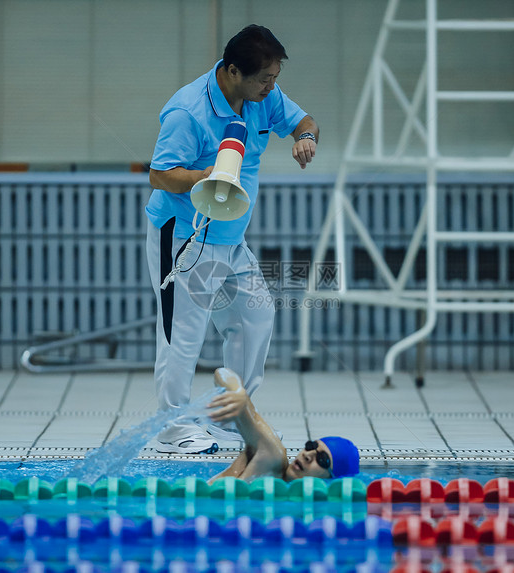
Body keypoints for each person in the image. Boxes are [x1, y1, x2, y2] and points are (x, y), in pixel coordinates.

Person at [145, 25, 320, 454]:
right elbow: (160, 173)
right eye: (265, 79)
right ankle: (172, 429)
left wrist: (306, 138)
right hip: (185, 236)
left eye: (275, 78)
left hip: (231, 236)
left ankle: (226, 418)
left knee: (254, 319)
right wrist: (209, 175)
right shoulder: (188, 112)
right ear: (233, 71)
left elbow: (303, 120)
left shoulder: (263, 97)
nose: (271, 88)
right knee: (183, 332)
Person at [207, 367, 360, 482]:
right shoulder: (271, 455)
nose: (307, 455)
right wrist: (238, 392)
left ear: (331, 479)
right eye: (311, 446)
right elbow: (223, 373)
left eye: (322, 459)